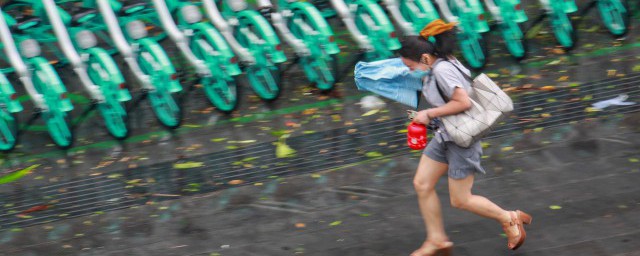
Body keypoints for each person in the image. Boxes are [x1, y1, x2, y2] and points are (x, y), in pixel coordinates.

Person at [398, 19, 532, 256]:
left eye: (411, 67)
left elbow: (463, 102)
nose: (411, 71)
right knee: (422, 183)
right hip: (444, 135)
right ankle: (437, 240)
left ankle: (509, 218)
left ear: (425, 59)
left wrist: (428, 113)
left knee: (460, 200)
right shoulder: (441, 61)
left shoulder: (442, 70)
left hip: (461, 141)